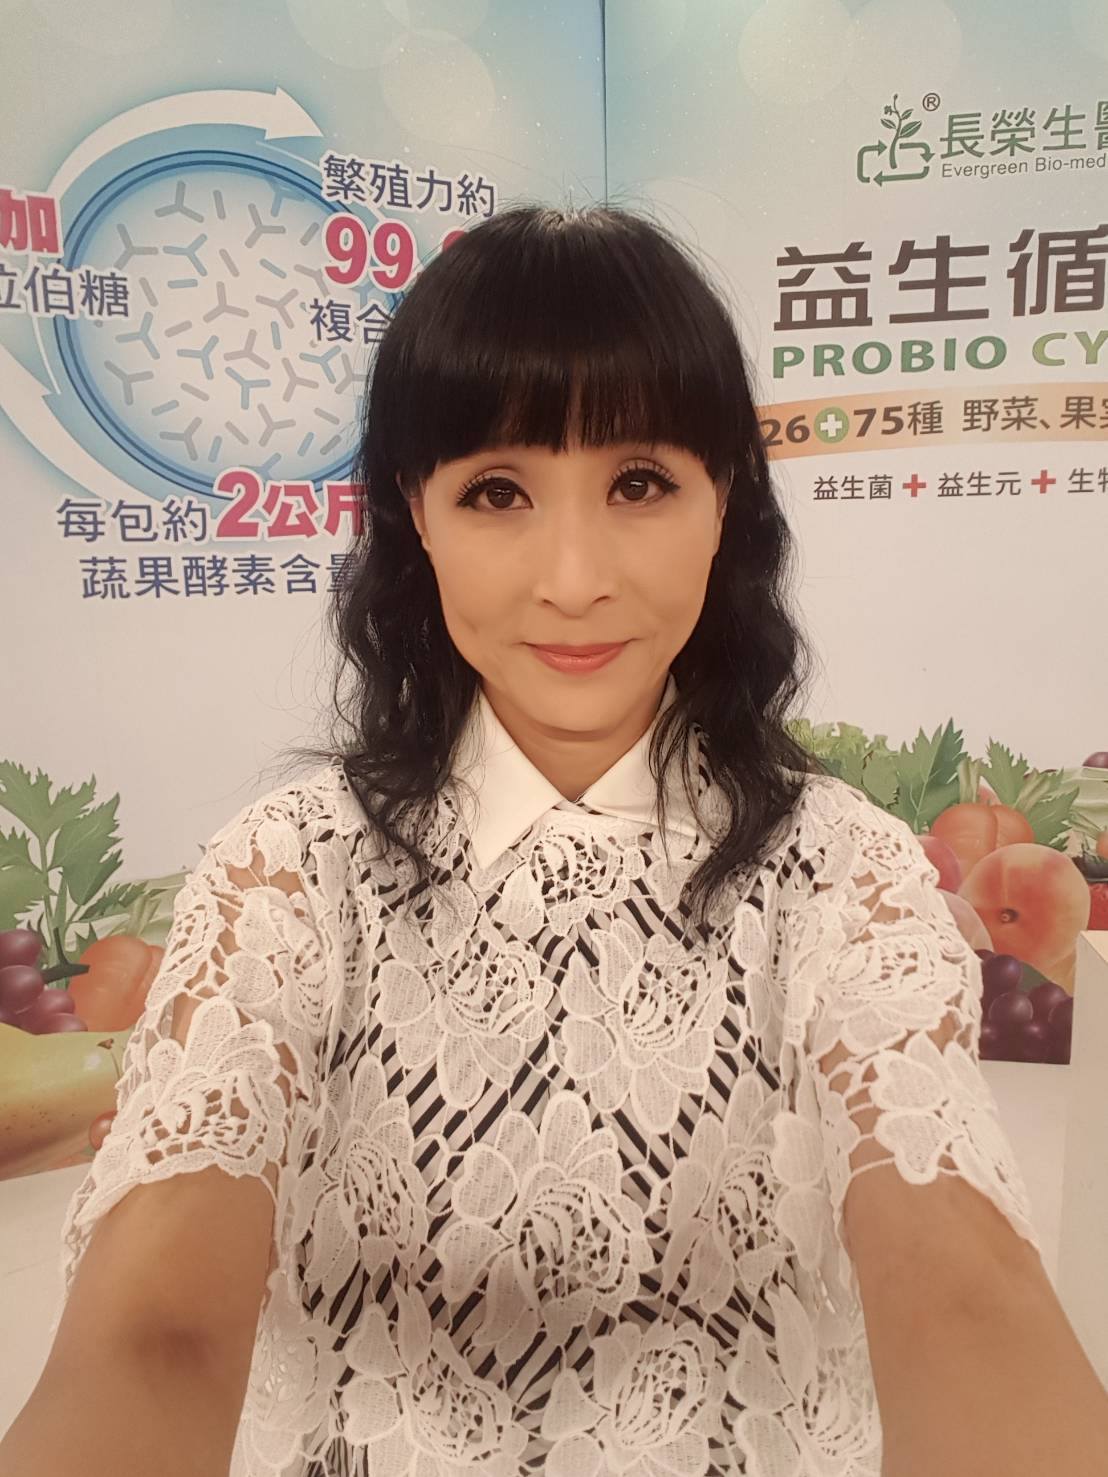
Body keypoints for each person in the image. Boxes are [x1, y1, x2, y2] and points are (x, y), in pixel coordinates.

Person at [2, 202, 1106, 1477]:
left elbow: (966, 1290)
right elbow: (155, 1328)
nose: (574, 577)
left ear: (724, 500)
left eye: (639, 483)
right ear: (416, 513)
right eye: (497, 491)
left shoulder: (841, 873)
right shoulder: (287, 874)